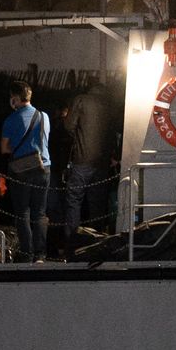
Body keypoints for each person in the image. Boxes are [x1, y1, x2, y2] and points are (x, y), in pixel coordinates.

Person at [0, 81, 50, 263]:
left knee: (22, 213)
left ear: (15, 98)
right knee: (40, 213)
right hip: (44, 167)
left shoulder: (11, 120)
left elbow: (4, 149)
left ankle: (26, 253)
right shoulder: (44, 116)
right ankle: (41, 254)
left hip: (21, 169)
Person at [63, 84, 112, 244]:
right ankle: (97, 242)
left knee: (74, 201)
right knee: (97, 204)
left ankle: (73, 242)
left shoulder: (81, 100)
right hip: (103, 163)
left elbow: (69, 125)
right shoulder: (109, 104)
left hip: (82, 160)